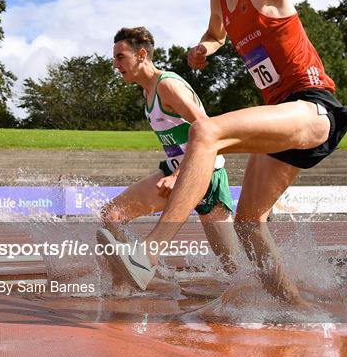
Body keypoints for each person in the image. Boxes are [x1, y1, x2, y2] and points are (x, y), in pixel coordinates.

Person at [102, 0, 347, 305]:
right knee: (248, 224)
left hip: (312, 106)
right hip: (280, 120)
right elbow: (216, 32)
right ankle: (298, 310)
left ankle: (148, 253)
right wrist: (206, 46)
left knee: (206, 131)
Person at [97, 26, 240, 288]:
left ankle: (278, 296)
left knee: (236, 268)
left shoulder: (168, 86)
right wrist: (174, 173)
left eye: (120, 57)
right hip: (175, 173)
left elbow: (206, 129)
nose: (115, 64)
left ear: (141, 55)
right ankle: (139, 276)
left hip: (206, 177)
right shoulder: (147, 91)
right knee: (112, 215)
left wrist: (178, 175)